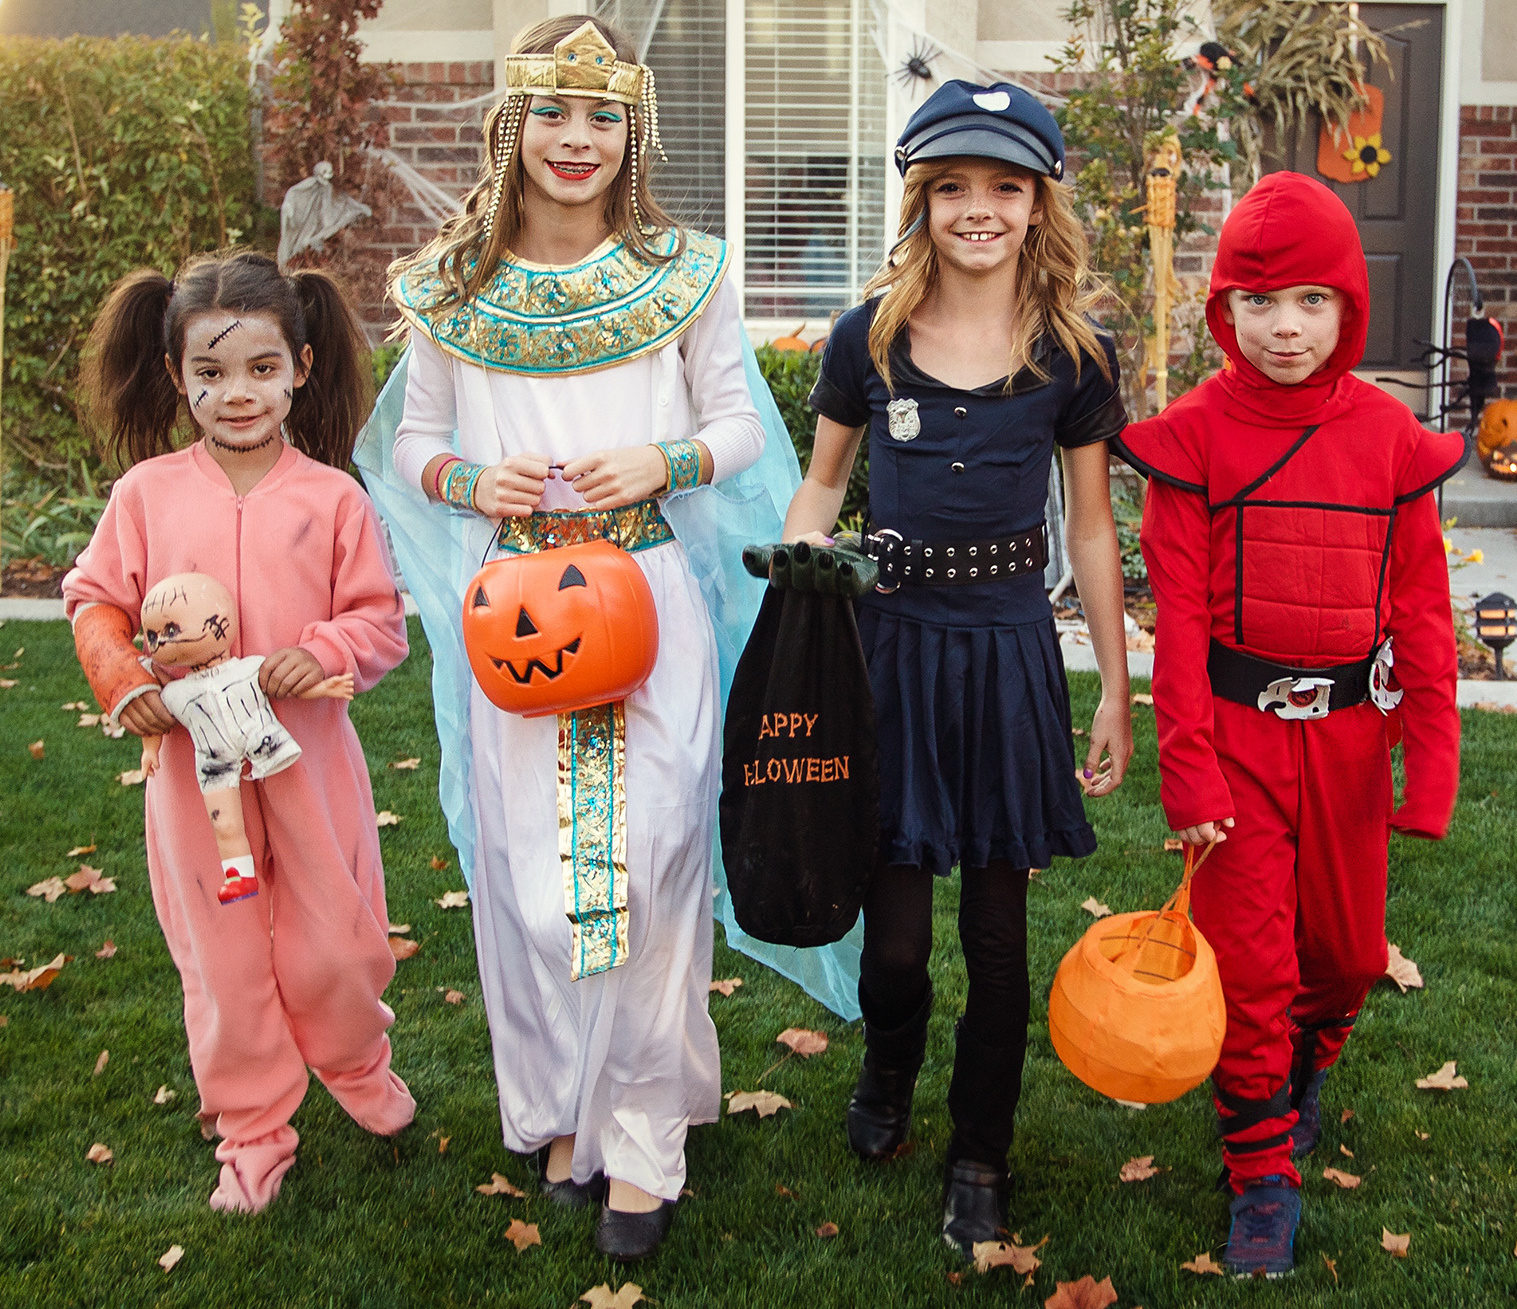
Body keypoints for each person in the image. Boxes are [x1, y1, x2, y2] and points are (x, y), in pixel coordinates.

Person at [364, 14, 798, 1261]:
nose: (576, 138)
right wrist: (463, 480)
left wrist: (661, 461)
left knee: (651, 867)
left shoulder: (686, 274)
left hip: (646, 593)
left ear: (631, 133)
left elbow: (739, 426)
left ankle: (643, 1145)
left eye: (602, 116)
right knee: (536, 883)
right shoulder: (451, 289)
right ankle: (564, 1108)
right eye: (552, 113)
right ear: (512, 126)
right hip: (511, 604)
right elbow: (411, 439)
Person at [781, 80, 1133, 1255]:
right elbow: (823, 484)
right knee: (892, 941)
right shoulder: (866, 338)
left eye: (1003, 187)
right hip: (891, 652)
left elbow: (1092, 530)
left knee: (995, 939)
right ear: (920, 202)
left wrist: (1113, 686)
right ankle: (887, 1065)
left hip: (1006, 659)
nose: (977, 208)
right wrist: (800, 578)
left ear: (1037, 204)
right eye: (951, 188)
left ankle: (979, 1149)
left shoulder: (1072, 354)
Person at [1113, 171, 1463, 1277]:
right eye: (1258, 301)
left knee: (1347, 955)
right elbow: (1174, 620)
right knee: (1250, 965)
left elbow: (1421, 610)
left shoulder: (1389, 436)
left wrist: (1430, 766)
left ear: (1347, 308)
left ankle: (1308, 1059)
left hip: (1351, 738)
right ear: (1224, 307)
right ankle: (1260, 1169)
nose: (1284, 327)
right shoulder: (1191, 438)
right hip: (1235, 736)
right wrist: (1187, 772)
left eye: (1311, 301)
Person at [63, 250, 416, 1213]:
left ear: (300, 367)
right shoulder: (146, 495)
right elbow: (95, 601)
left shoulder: (333, 499)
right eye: (210, 372)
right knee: (221, 954)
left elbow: (379, 620)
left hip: (309, 761)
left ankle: (354, 1056)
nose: (237, 393)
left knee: (336, 940)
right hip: (194, 775)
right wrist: (126, 681)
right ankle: (254, 1126)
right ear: (176, 375)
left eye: (261, 368)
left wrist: (324, 648)